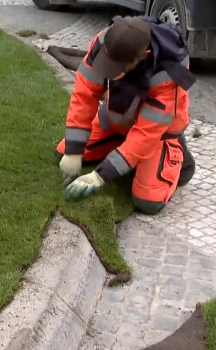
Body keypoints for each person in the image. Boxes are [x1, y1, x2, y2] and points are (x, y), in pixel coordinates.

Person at [55, 15, 197, 215]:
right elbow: (84, 95)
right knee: (64, 151)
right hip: (115, 121)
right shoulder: (106, 42)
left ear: (143, 56)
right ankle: (120, 149)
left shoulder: (167, 73)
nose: (109, 72)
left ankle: (176, 155)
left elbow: (146, 134)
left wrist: (101, 176)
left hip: (158, 135)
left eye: (117, 68)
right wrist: (73, 150)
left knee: (148, 200)